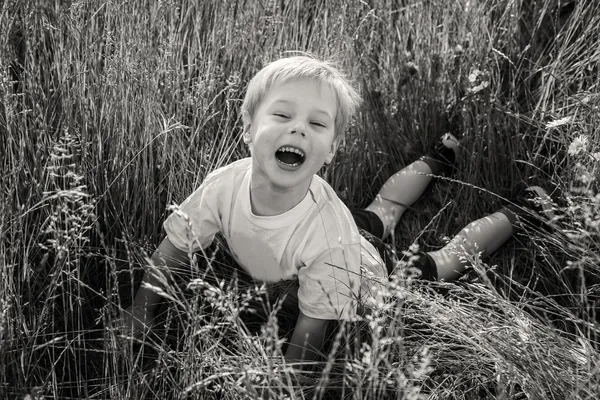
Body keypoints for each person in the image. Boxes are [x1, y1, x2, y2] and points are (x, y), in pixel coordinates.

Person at [122, 55, 557, 365]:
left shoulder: (329, 240)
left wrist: (286, 385)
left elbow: (309, 333)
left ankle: (523, 213)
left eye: (316, 123)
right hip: (330, 228)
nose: (298, 127)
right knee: (383, 209)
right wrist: (140, 309)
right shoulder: (222, 187)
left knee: (442, 262)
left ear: (330, 149)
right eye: (283, 115)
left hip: (363, 268)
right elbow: (173, 249)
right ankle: (439, 157)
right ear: (247, 128)